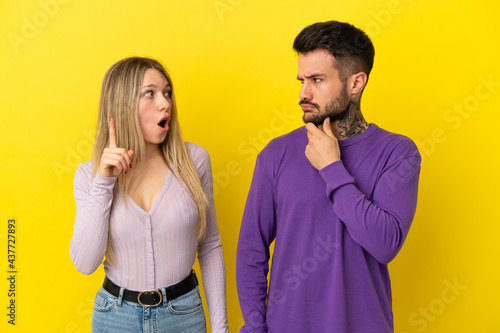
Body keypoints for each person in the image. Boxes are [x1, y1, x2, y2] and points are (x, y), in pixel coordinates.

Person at [236, 21, 421, 333]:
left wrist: (332, 168)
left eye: (317, 80)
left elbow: (385, 243)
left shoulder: (397, 153)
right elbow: (251, 249)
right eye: (302, 80)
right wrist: (255, 327)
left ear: (355, 83)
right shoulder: (276, 154)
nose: (303, 93)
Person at [70, 57, 228, 333]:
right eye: (150, 93)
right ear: (122, 105)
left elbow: (210, 244)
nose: (165, 103)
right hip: (115, 318)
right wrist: (105, 182)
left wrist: (221, 327)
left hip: (184, 315)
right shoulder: (89, 175)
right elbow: (85, 263)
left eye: (167, 92)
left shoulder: (195, 161)